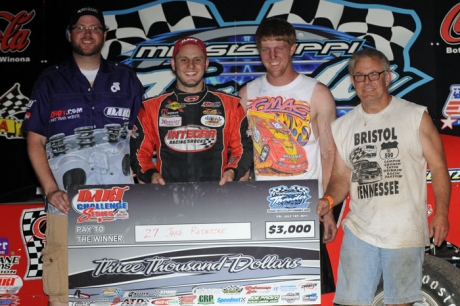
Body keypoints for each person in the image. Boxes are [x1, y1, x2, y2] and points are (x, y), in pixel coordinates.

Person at [22, 5, 144, 305]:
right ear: (69, 35)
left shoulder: (127, 79)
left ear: (104, 35)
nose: (87, 33)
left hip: (120, 202)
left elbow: (145, 139)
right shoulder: (49, 80)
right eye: (80, 27)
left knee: (120, 285)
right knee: (62, 287)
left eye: (94, 28)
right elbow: (34, 140)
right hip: (65, 202)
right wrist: (51, 190)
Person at [316, 48, 451, 306]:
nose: (367, 83)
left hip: (404, 230)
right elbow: (342, 178)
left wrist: (441, 213)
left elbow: (438, 168)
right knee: (350, 303)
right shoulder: (343, 126)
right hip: (360, 229)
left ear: (387, 78)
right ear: (352, 81)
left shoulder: (414, 116)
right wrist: (329, 199)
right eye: (359, 77)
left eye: (373, 75)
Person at [238, 17, 338, 294]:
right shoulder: (246, 94)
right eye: (266, 49)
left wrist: (327, 206)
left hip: (307, 205)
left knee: (312, 290)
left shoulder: (317, 93)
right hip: (262, 206)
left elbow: (330, 152)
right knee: (266, 290)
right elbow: (243, 156)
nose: (272, 56)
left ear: (292, 49)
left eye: (279, 48)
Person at [130, 36, 253, 185]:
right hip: (167, 198)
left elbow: (243, 149)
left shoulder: (230, 105)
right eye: (184, 59)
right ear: (173, 64)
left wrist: (232, 171)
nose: (191, 65)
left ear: (206, 64)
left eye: (197, 59)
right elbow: (139, 154)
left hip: (218, 197)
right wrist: (151, 175)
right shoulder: (151, 107)